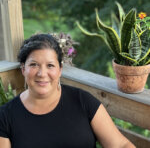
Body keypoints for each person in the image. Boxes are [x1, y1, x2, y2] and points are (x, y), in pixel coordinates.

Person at [0, 33, 136, 148]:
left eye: (50, 65)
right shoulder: (5, 116)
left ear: (60, 70)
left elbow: (120, 145)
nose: (42, 73)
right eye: (34, 65)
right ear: (23, 69)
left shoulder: (83, 101)